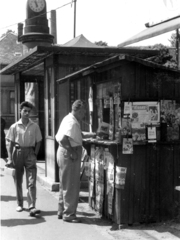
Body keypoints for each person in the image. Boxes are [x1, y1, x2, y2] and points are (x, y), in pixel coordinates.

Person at [55, 99, 96, 223]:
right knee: (71, 185)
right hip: (69, 153)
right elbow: (63, 139)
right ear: (79, 110)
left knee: (65, 183)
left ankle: (61, 210)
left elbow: (74, 135)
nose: (84, 115)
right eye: (83, 112)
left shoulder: (69, 119)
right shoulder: (72, 122)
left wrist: (89, 135)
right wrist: (72, 152)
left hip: (64, 153)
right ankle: (69, 214)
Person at [6, 101, 42, 216]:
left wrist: (35, 154)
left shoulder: (34, 126)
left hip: (30, 152)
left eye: (29, 111)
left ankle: (32, 205)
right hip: (18, 152)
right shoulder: (14, 126)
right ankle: (20, 204)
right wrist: (10, 158)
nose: (27, 113)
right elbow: (10, 143)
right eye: (25, 111)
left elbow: (39, 141)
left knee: (31, 180)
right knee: (18, 179)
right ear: (20, 111)